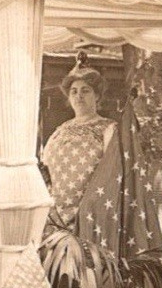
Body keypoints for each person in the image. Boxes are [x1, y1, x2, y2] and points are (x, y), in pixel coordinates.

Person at [41, 62, 116, 230]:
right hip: (54, 215)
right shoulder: (60, 131)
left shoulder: (108, 128)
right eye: (73, 91)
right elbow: (44, 168)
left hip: (89, 215)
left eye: (85, 90)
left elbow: (112, 173)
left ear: (97, 95)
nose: (79, 96)